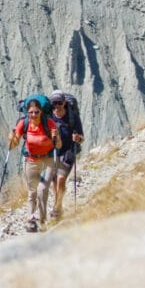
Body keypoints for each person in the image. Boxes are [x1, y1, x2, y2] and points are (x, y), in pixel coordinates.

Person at [9, 95, 61, 232]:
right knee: (32, 192)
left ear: (41, 112)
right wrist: (12, 138)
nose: (33, 115)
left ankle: (42, 220)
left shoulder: (49, 123)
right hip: (31, 160)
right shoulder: (23, 124)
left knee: (42, 190)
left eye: (36, 112)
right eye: (31, 112)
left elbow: (59, 145)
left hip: (48, 159)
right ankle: (31, 219)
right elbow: (15, 144)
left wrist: (56, 137)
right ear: (27, 112)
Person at [48, 91, 84, 219]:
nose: (57, 105)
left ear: (64, 103)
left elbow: (81, 137)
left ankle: (57, 208)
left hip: (69, 150)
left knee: (61, 179)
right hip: (53, 152)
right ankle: (58, 205)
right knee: (54, 181)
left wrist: (77, 138)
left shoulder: (72, 116)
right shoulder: (48, 117)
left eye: (59, 103)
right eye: (54, 103)